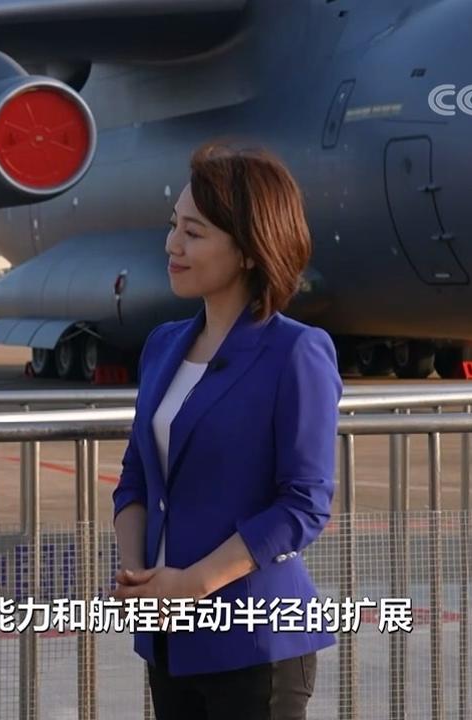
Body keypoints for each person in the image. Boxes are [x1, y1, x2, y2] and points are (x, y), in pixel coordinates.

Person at [111, 143, 341, 719]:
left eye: (194, 233)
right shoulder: (163, 345)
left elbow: (304, 505)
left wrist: (191, 585)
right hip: (169, 639)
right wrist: (139, 581)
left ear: (248, 251)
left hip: (256, 642)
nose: (173, 244)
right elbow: (135, 477)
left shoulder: (296, 352)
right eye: (173, 226)